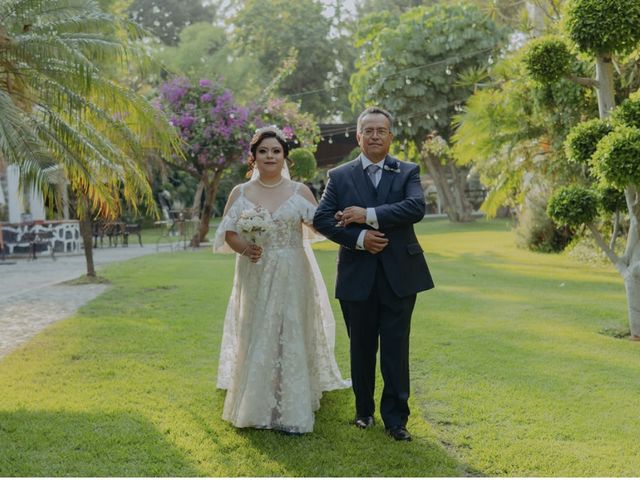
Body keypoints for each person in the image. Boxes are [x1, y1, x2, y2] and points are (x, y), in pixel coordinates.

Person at [214, 126, 350, 434]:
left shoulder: (299, 191)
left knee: (289, 328)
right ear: (254, 157)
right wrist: (245, 249)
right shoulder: (240, 193)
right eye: (263, 151)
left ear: (284, 156)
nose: (270, 156)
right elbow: (229, 233)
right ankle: (255, 400)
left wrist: (342, 218)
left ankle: (291, 399)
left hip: (292, 271)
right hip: (255, 270)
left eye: (276, 151)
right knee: (259, 328)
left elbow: (320, 224)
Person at [313, 107, 434, 441]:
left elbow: (415, 208)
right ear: (358, 136)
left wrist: (366, 215)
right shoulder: (339, 176)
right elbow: (322, 219)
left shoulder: (407, 170)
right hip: (356, 277)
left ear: (390, 136)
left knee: (396, 349)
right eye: (369, 130)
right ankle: (363, 412)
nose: (376, 135)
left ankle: (396, 420)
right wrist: (360, 239)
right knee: (361, 348)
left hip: (400, 276)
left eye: (382, 130)